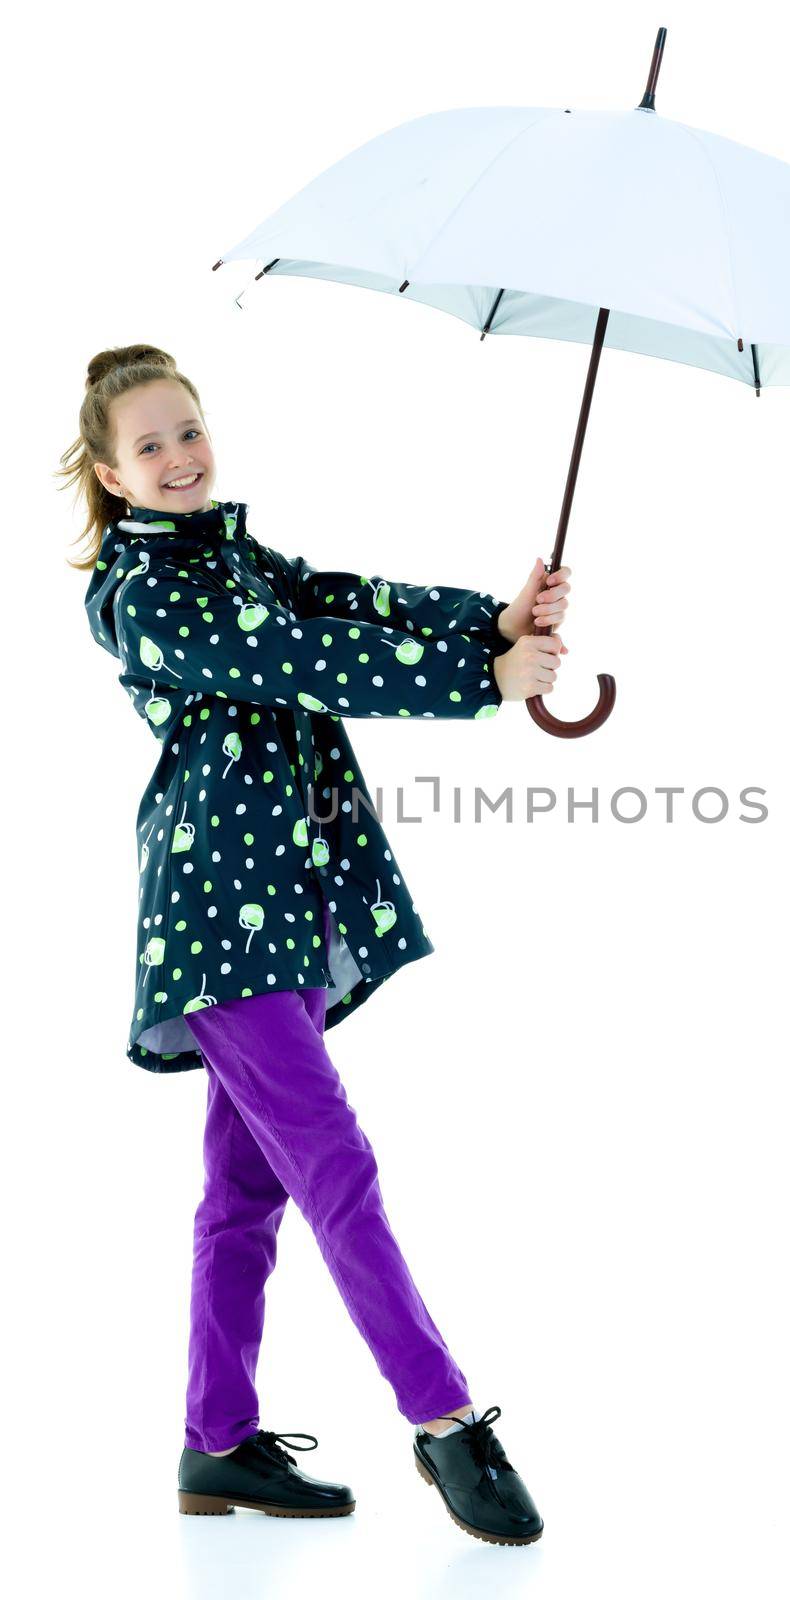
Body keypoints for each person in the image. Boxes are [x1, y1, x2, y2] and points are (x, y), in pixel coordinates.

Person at [61, 343, 571, 1545]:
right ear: (109, 472)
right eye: (150, 446)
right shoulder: (149, 595)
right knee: (334, 1162)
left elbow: (336, 600)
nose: (180, 457)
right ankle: (444, 1421)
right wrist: (483, 683)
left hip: (281, 908)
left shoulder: (227, 554)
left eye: (188, 430)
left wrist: (484, 621)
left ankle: (216, 1440)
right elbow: (291, 658)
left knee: (243, 1190)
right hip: (212, 924)